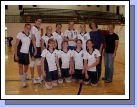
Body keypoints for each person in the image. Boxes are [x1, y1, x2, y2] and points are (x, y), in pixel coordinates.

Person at [14, 23, 31, 87]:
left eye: (29, 28)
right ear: (24, 28)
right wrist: (16, 55)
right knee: (20, 66)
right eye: (27, 28)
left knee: (26, 66)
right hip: (20, 53)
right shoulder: (20, 34)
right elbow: (16, 45)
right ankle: (23, 81)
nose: (28, 29)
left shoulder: (30, 35)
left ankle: (25, 75)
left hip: (26, 53)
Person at [29, 16, 42, 84]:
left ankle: (40, 77)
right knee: (33, 62)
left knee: (39, 62)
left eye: (40, 21)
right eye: (38, 21)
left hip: (38, 47)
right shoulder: (33, 28)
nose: (39, 22)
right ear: (35, 21)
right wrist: (35, 49)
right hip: (34, 47)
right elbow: (33, 39)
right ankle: (32, 77)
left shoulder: (39, 28)